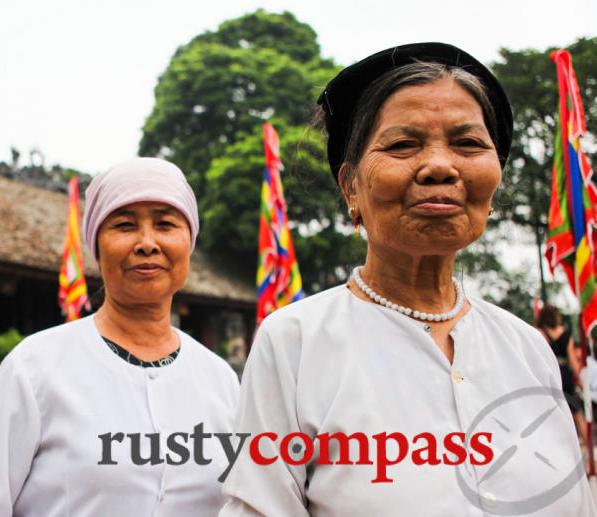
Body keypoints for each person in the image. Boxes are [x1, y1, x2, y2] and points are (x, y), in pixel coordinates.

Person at [220, 42, 597, 516]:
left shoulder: (526, 347)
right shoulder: (295, 343)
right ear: (350, 187)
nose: (441, 166)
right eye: (402, 145)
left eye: (468, 144)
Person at [0, 157, 240, 516]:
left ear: (189, 241)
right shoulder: (35, 369)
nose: (147, 242)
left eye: (165, 224)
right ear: (96, 246)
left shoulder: (220, 379)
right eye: (125, 225)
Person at [536, 304, 587, 444]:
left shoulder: (539, 333)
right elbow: (572, 361)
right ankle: (589, 445)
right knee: (576, 411)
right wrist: (579, 378)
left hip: (549, 373)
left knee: (553, 411)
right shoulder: (565, 333)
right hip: (565, 374)